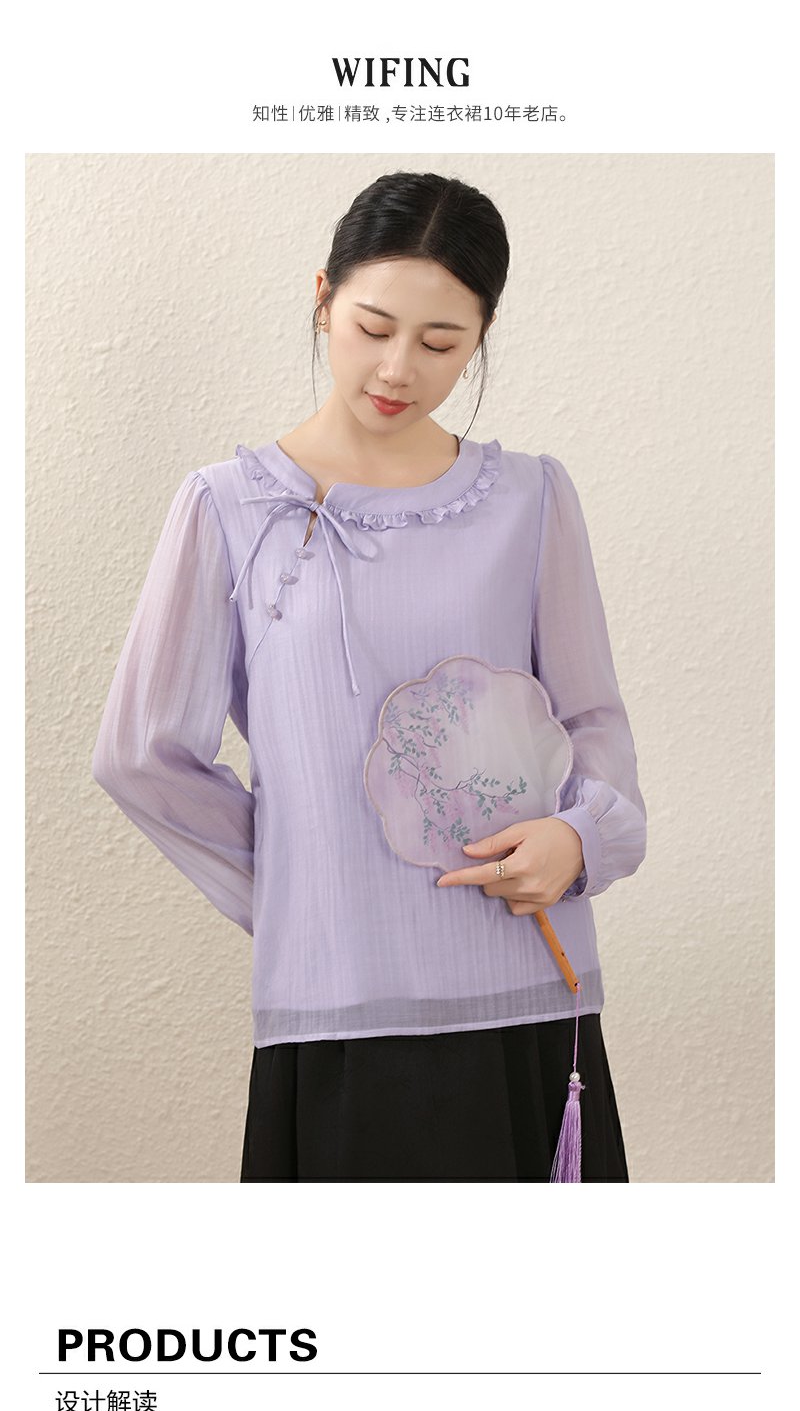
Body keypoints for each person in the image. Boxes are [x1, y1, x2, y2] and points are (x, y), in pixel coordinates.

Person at [91, 170, 647, 1182]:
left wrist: (578, 838)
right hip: (338, 1002)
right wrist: (306, 884)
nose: (397, 369)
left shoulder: (529, 499)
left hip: (522, 984)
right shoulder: (227, 507)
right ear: (322, 297)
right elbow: (140, 754)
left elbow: (591, 720)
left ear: (481, 336)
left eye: (441, 343)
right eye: (372, 327)